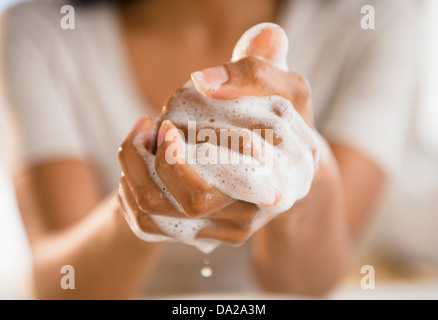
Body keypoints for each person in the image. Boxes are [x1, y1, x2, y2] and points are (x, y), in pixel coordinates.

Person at [0, 0, 415, 299]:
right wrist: (138, 210)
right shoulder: (38, 29)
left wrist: (304, 163)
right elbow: (59, 285)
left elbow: (307, 285)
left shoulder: (376, 20)